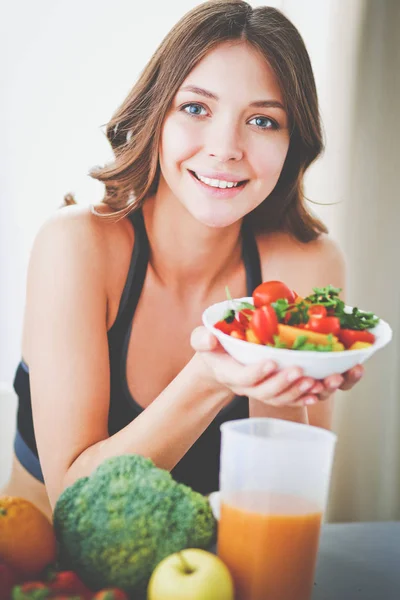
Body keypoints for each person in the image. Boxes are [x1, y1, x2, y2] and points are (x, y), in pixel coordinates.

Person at [1, 0, 363, 521]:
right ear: (156, 114)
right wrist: (211, 377)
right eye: (196, 108)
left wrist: (288, 377)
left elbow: (279, 507)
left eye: (263, 120)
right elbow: (76, 508)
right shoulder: (76, 245)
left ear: (293, 142)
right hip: (47, 574)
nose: (225, 148)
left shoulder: (307, 264)